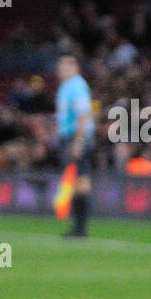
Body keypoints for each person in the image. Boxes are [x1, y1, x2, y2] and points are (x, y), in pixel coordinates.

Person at [55, 55, 95, 237]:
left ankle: (81, 227)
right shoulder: (65, 87)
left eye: (64, 66)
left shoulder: (77, 86)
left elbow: (83, 115)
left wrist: (79, 141)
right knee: (77, 179)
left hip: (77, 137)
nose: (60, 70)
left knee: (80, 179)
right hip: (68, 137)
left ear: (74, 67)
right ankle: (78, 226)